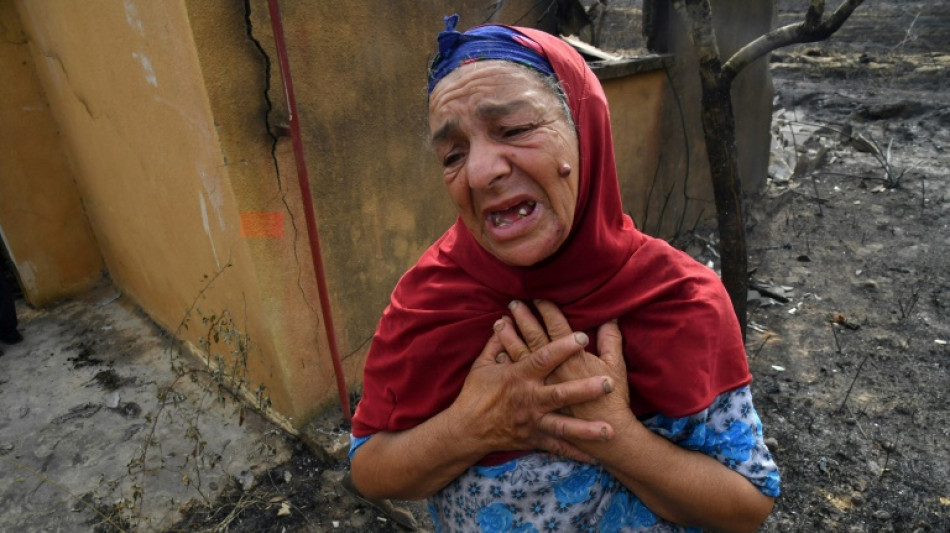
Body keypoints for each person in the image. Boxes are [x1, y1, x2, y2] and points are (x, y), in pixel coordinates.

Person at [349, 15, 780, 532]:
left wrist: (615, 436)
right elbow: (370, 471)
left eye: (514, 129)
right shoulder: (429, 298)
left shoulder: (681, 298)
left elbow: (745, 508)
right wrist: (475, 426)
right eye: (452, 154)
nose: (481, 172)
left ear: (585, 128)